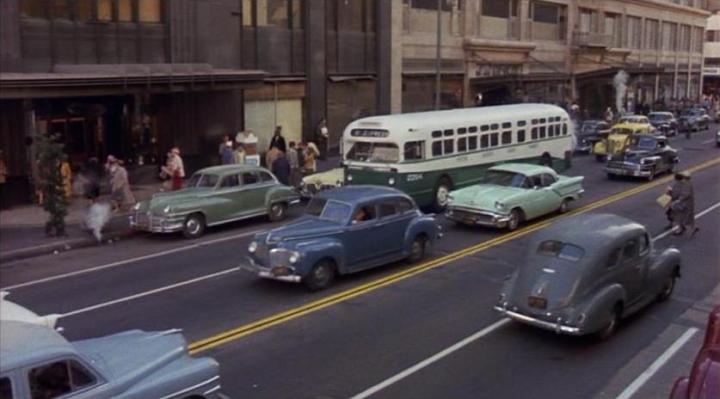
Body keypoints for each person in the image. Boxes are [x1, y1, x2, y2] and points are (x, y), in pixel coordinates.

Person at [667, 172, 699, 236]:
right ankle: (692, 227)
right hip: (687, 204)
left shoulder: (683, 184)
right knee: (688, 217)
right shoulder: (687, 184)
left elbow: (681, 194)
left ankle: (680, 229)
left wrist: (670, 192)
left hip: (683, 204)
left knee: (678, 216)